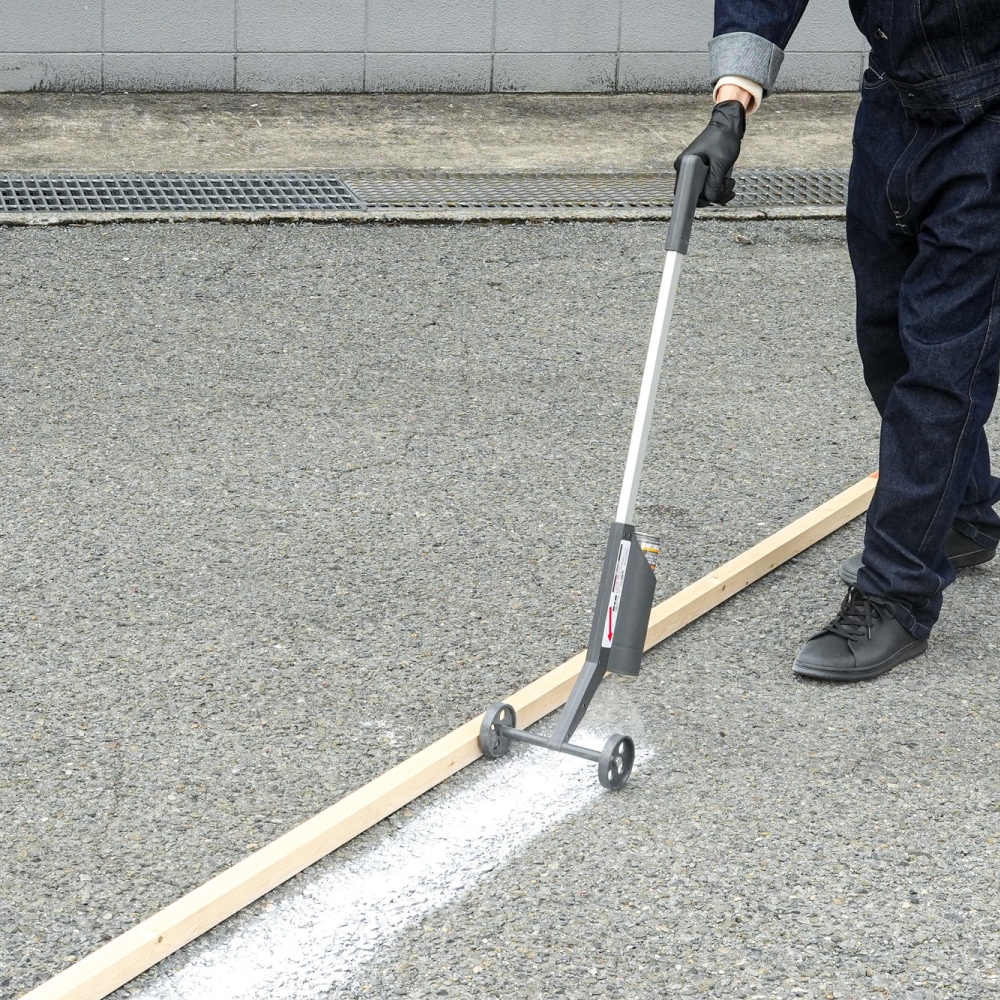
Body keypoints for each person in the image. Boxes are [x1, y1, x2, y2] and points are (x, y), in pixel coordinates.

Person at [677, 2, 1000, 682]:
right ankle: (961, 512)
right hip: (894, 104)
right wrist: (730, 107)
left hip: (990, 118)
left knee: (943, 367)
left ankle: (895, 594)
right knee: (886, 339)